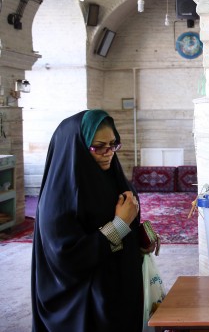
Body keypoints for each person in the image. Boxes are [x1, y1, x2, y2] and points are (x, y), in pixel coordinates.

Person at [32, 109, 148, 332]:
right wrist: (120, 226)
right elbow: (67, 258)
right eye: (98, 147)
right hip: (85, 305)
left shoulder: (113, 178)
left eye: (113, 144)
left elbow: (125, 223)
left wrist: (140, 241)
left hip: (120, 292)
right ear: (76, 147)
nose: (108, 153)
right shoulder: (59, 198)